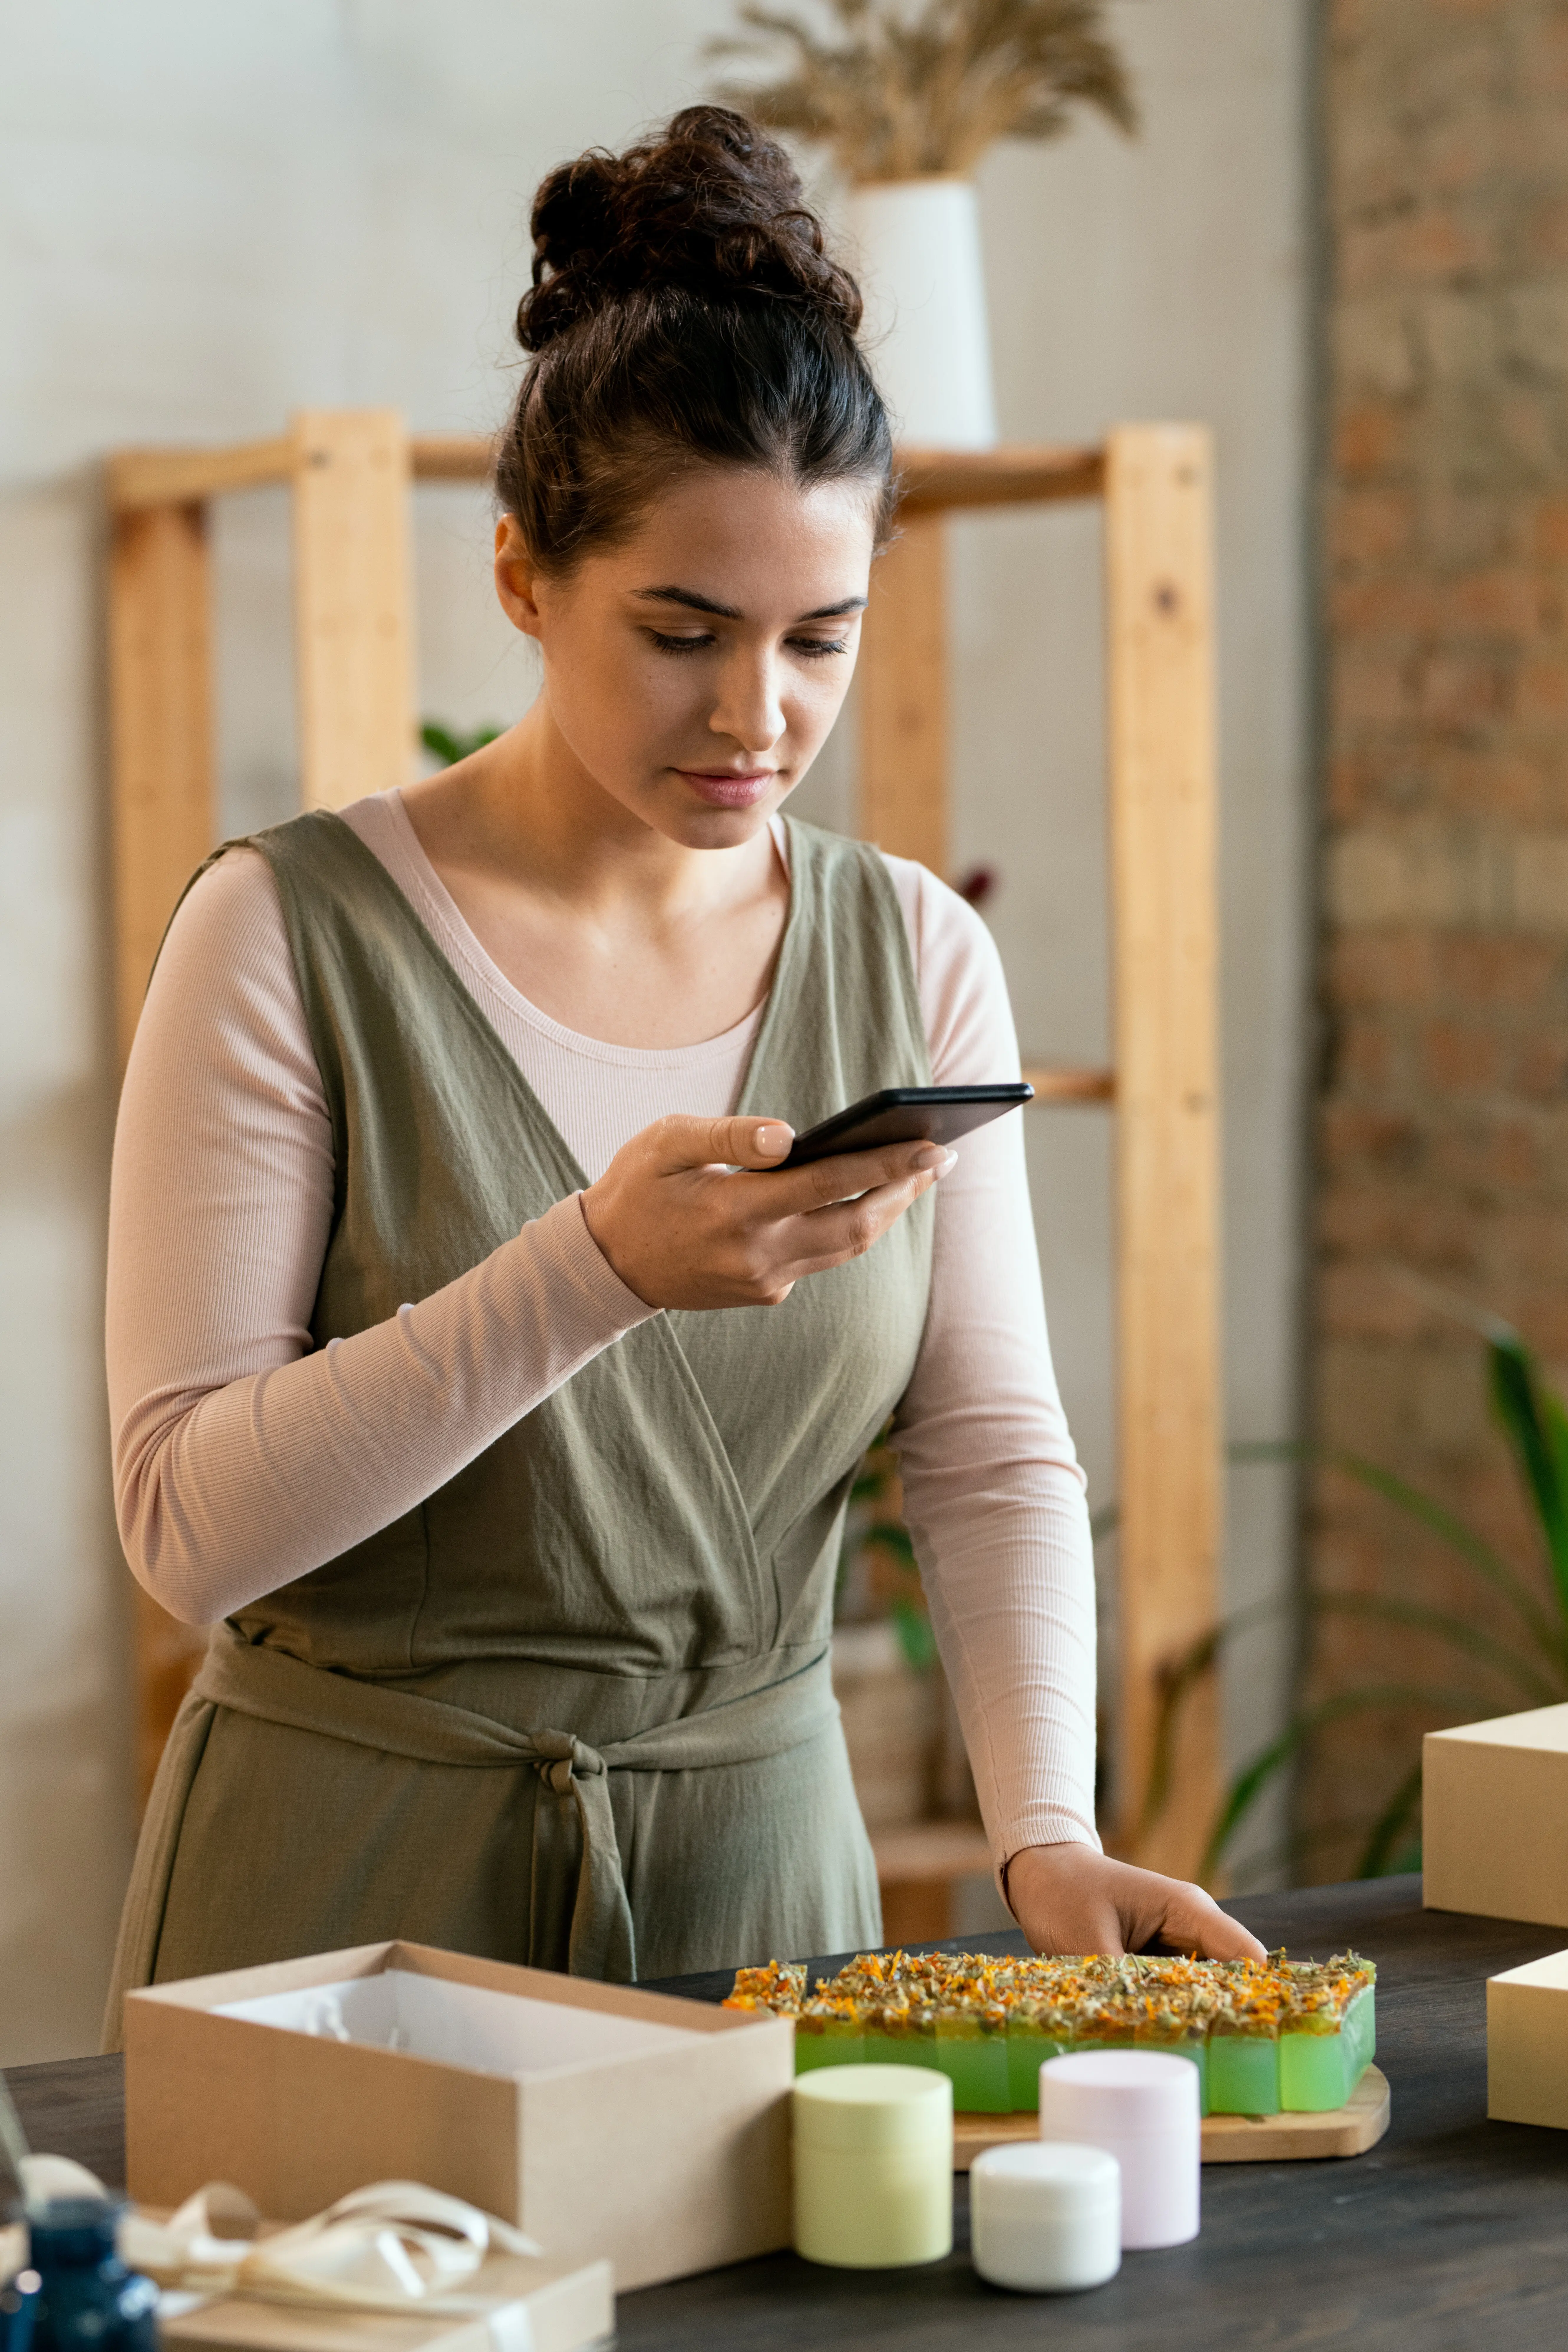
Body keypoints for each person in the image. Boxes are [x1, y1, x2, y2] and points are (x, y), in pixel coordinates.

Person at [103, 107, 1262, 2043]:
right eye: (681, 631)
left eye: (823, 638)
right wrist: (591, 1270)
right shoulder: (284, 933)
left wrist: (1041, 1832)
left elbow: (983, 1449)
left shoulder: (914, 953)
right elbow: (185, 1530)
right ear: (520, 578)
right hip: (338, 1923)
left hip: (759, 1903)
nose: (756, 716)